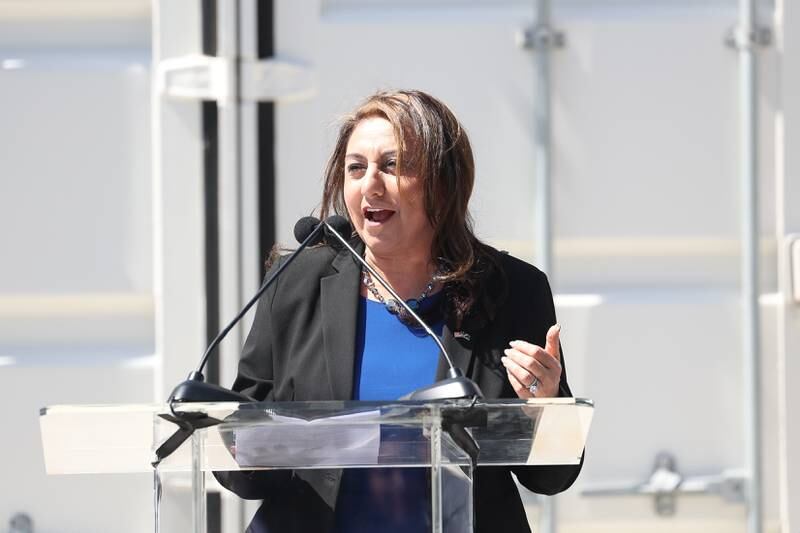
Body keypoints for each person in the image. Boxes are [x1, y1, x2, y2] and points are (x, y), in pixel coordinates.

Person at [215, 89, 583, 532]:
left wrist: (545, 405)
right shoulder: (297, 282)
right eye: (356, 168)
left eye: (392, 166)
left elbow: (552, 477)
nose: (370, 184)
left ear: (443, 183)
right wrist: (235, 438)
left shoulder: (511, 290)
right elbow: (242, 467)